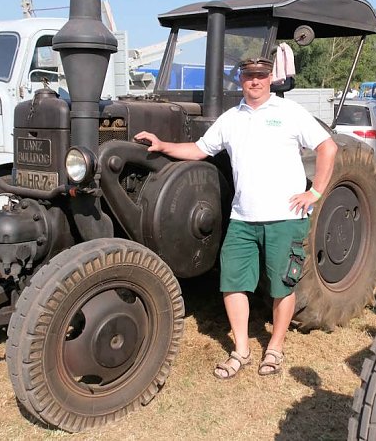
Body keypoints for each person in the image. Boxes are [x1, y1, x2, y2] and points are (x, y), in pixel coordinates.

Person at [134, 56, 337, 379]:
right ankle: (241, 350)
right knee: (232, 283)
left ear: (270, 78)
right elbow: (200, 150)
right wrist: (162, 145)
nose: (254, 81)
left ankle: (275, 348)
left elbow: (327, 146)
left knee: (282, 286)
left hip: (284, 217)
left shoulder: (289, 112)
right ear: (240, 80)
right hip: (242, 218)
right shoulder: (231, 118)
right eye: (248, 76)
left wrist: (315, 192)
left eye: (260, 75)